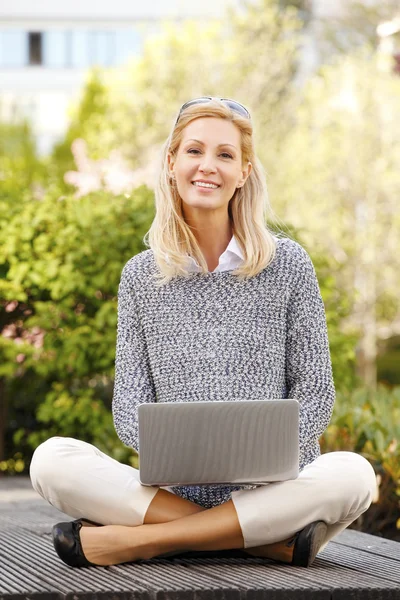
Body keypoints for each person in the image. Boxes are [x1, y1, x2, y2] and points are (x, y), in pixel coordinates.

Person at [29, 97, 377, 569]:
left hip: (276, 490)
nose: (207, 166)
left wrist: (261, 453)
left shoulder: (288, 264)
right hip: (176, 492)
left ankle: (143, 542)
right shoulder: (140, 277)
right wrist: (179, 449)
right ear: (171, 163)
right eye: (194, 151)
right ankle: (257, 542)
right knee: (51, 460)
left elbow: (315, 390)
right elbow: (130, 406)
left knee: (353, 475)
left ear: (245, 170)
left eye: (225, 155)